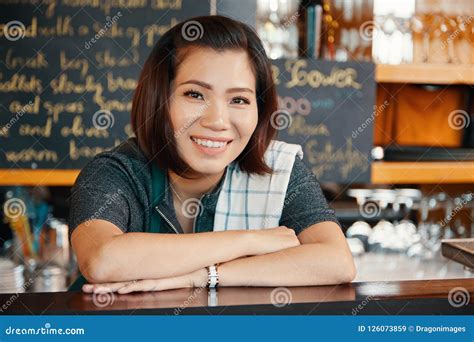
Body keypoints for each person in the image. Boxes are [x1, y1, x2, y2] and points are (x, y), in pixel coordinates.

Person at [68, 15, 355, 294]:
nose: (217, 120)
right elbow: (102, 260)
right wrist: (250, 241)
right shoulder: (114, 173)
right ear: (159, 99)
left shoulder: (279, 171)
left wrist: (206, 276)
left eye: (239, 99)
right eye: (195, 94)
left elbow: (337, 262)